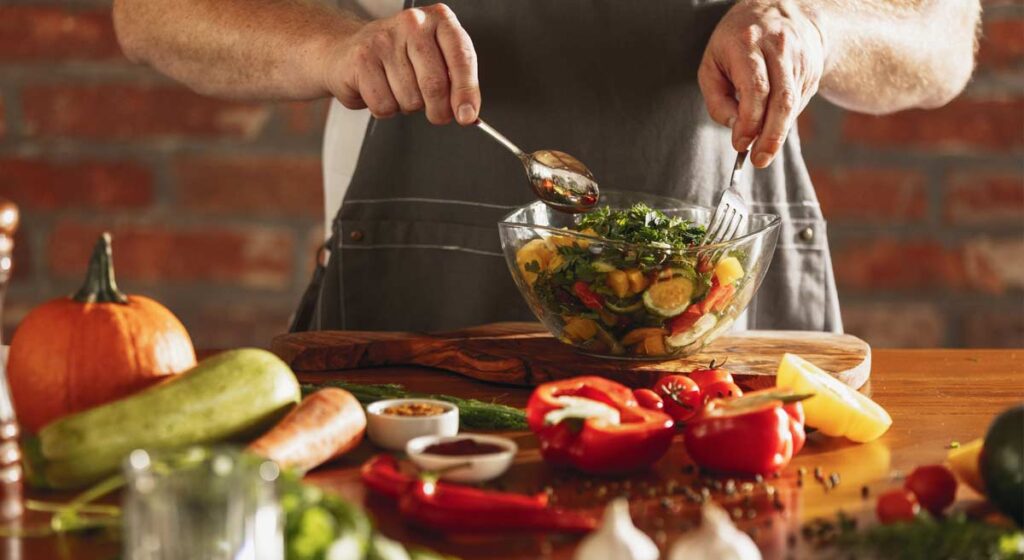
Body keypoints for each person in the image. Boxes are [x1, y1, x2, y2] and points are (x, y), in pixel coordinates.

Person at [112, 0, 980, 333]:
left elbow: (945, 37)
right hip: (420, 324)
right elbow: (150, 13)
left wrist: (817, 32)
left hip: (724, 326)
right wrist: (332, 46)